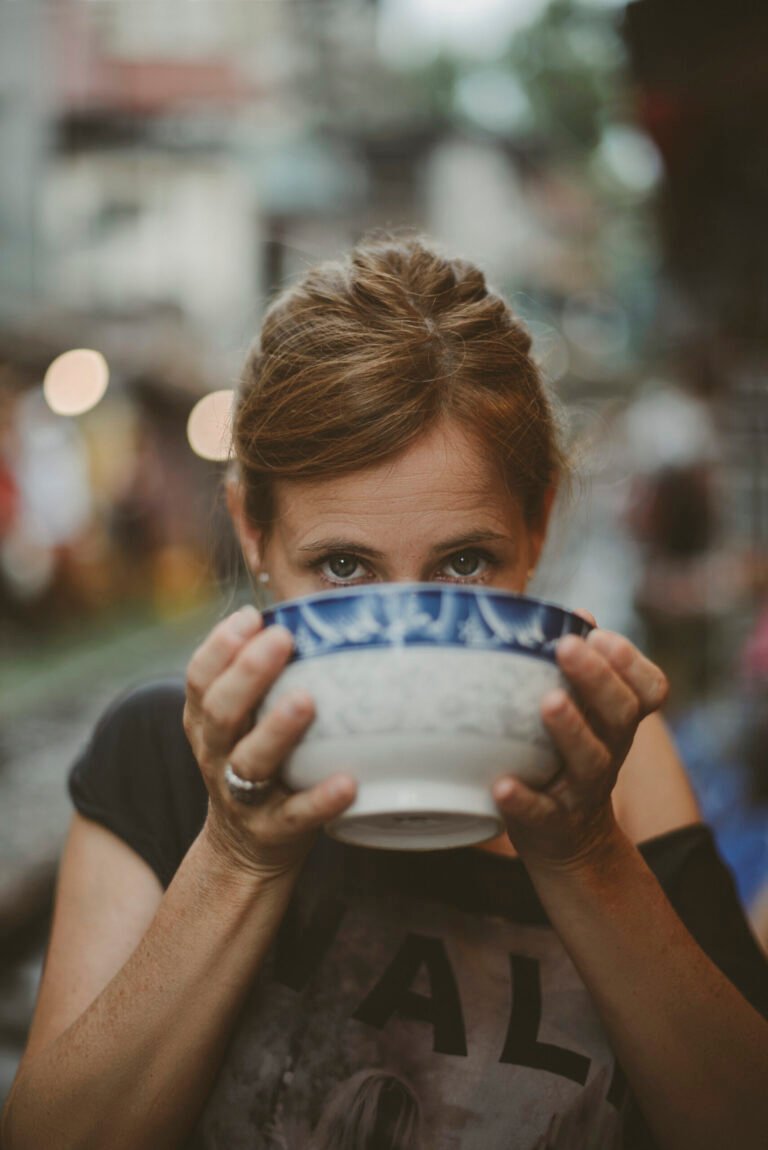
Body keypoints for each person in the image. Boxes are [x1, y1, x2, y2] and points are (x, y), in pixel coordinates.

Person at [2, 235, 767, 1150]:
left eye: (466, 562)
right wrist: (238, 857)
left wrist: (587, 855)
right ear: (252, 530)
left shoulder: (616, 766)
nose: (407, 637)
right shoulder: (167, 755)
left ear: (541, 522)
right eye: (343, 567)